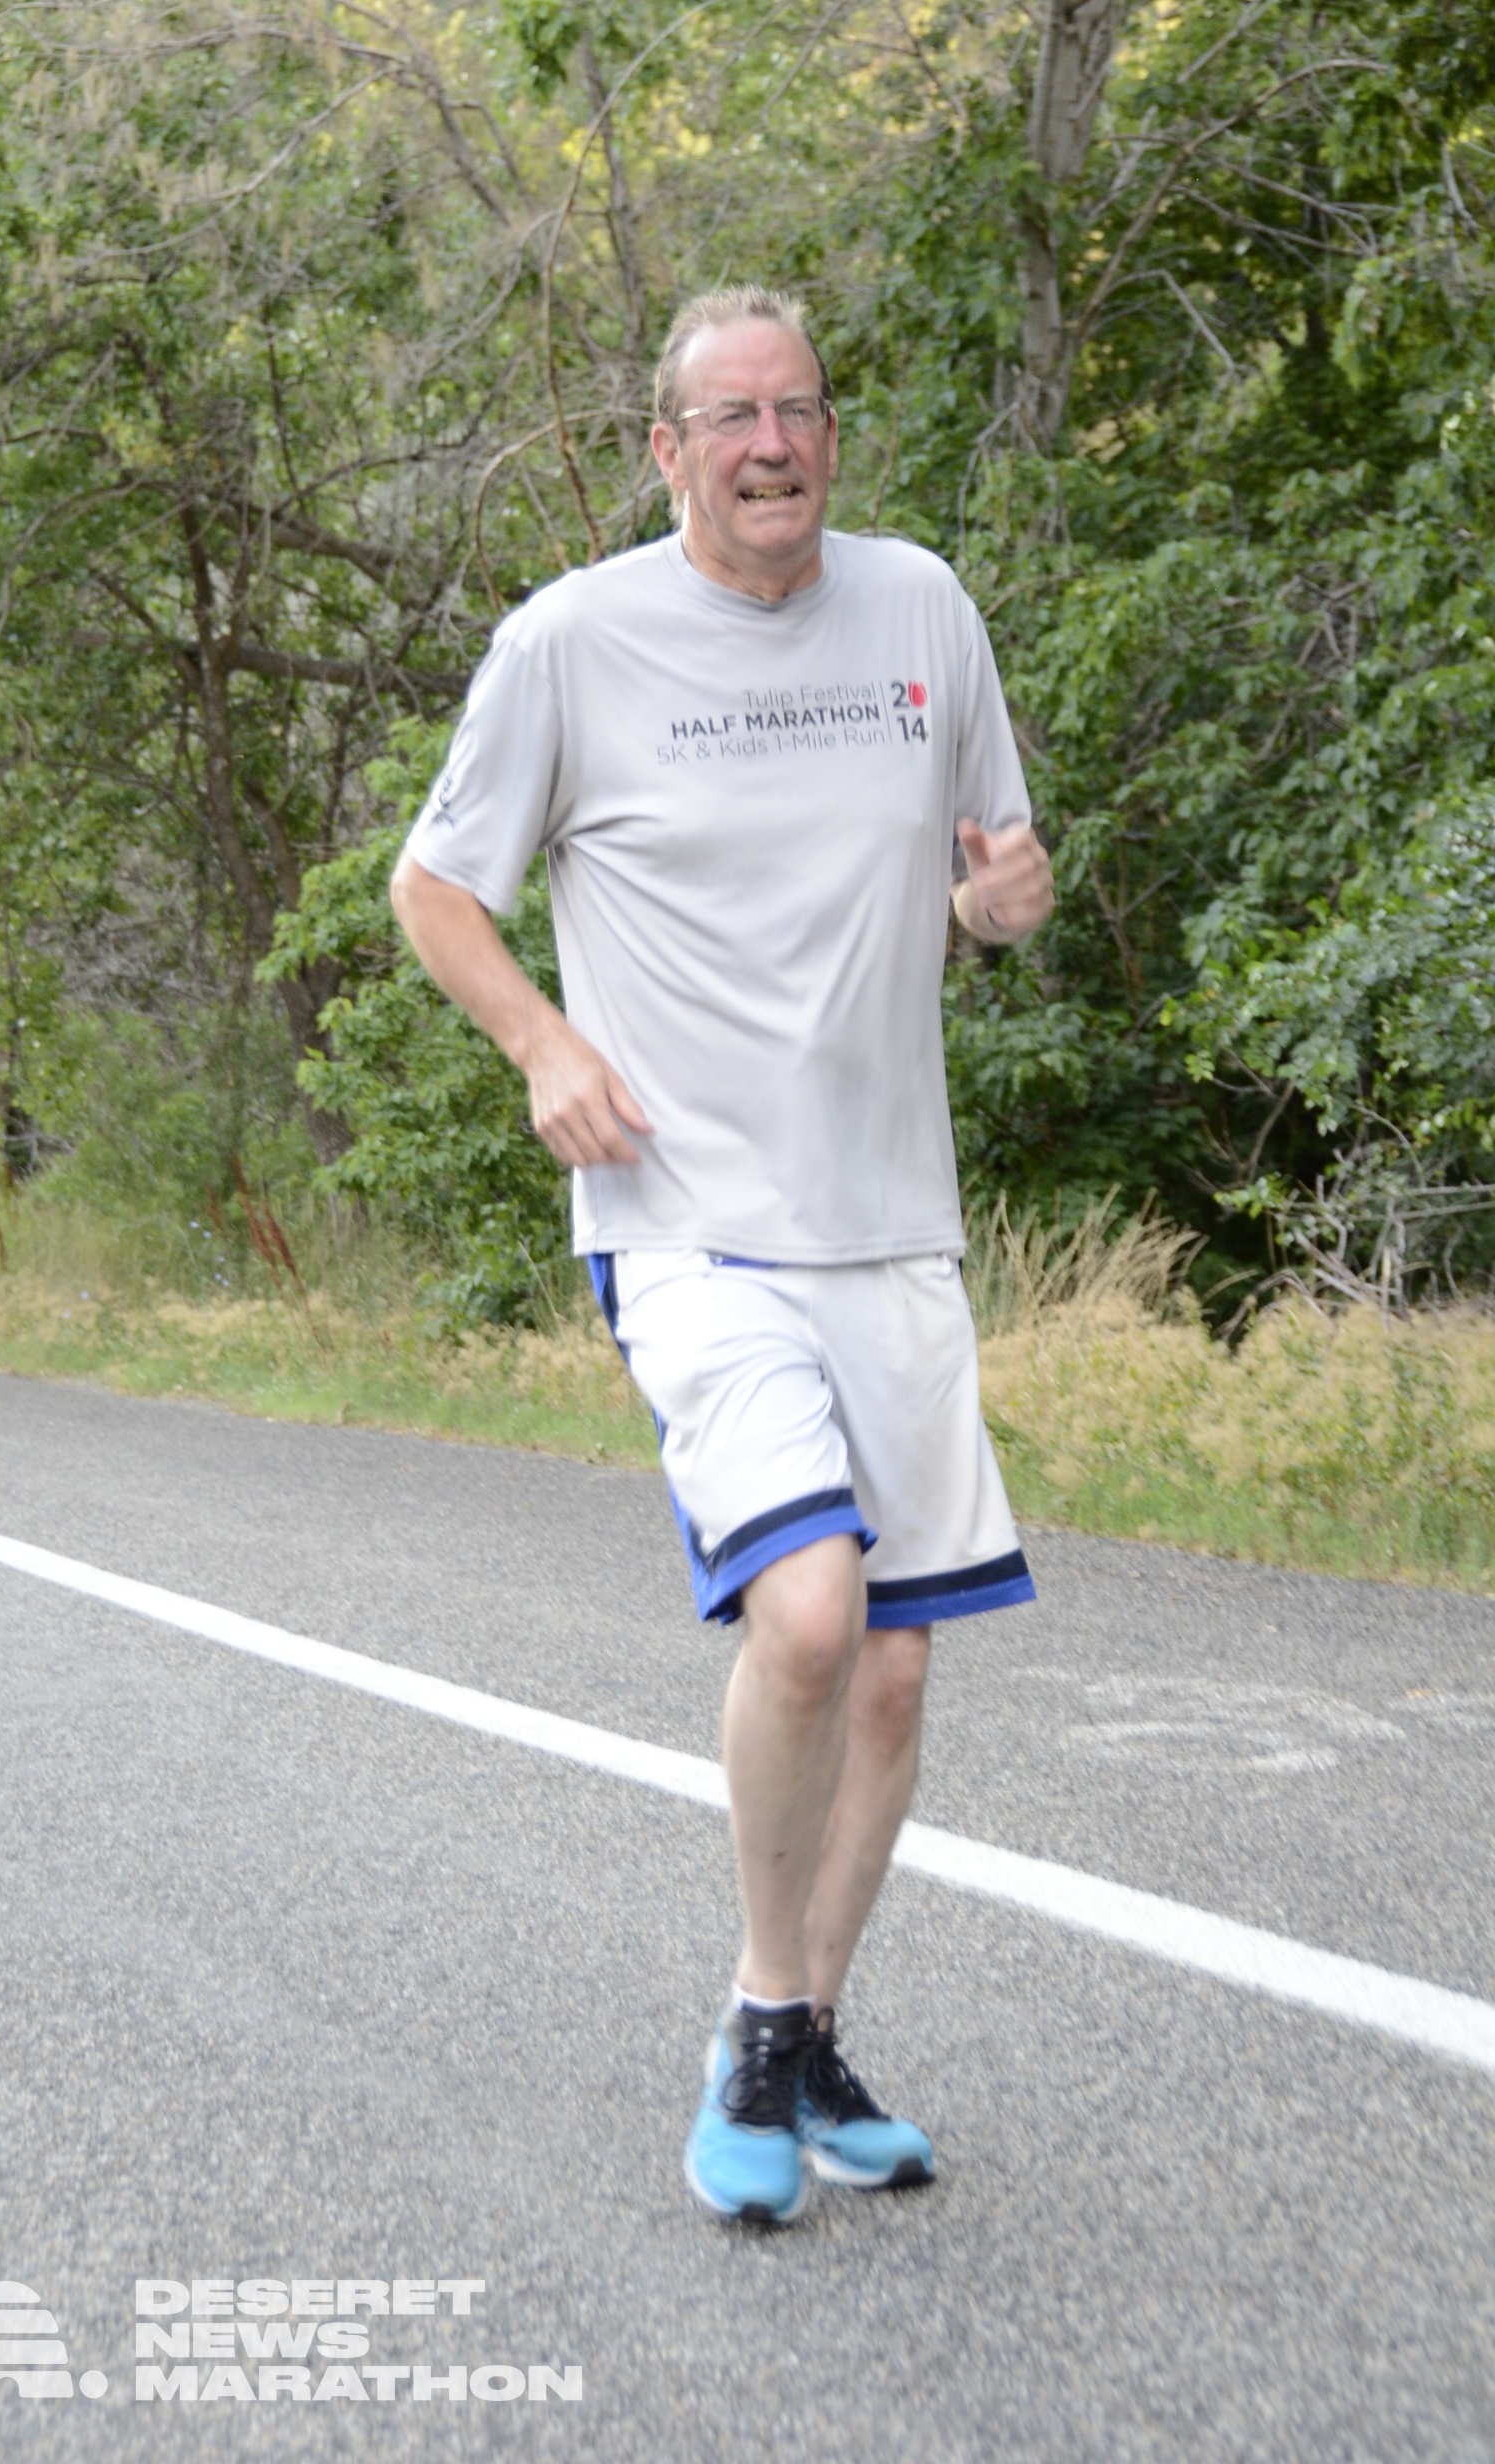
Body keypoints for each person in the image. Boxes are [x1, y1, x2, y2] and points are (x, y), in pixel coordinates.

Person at [392, 285, 1055, 2225]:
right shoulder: (571, 642)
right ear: (665, 449)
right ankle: (762, 2022)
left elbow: (989, 872)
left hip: (890, 1217)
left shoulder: (922, 607)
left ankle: (813, 2031)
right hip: (686, 1217)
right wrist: (545, 1045)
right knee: (815, 1617)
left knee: (897, 1672)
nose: (773, 445)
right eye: (732, 417)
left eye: (800, 409)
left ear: (831, 435)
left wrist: (1004, 904)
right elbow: (436, 886)